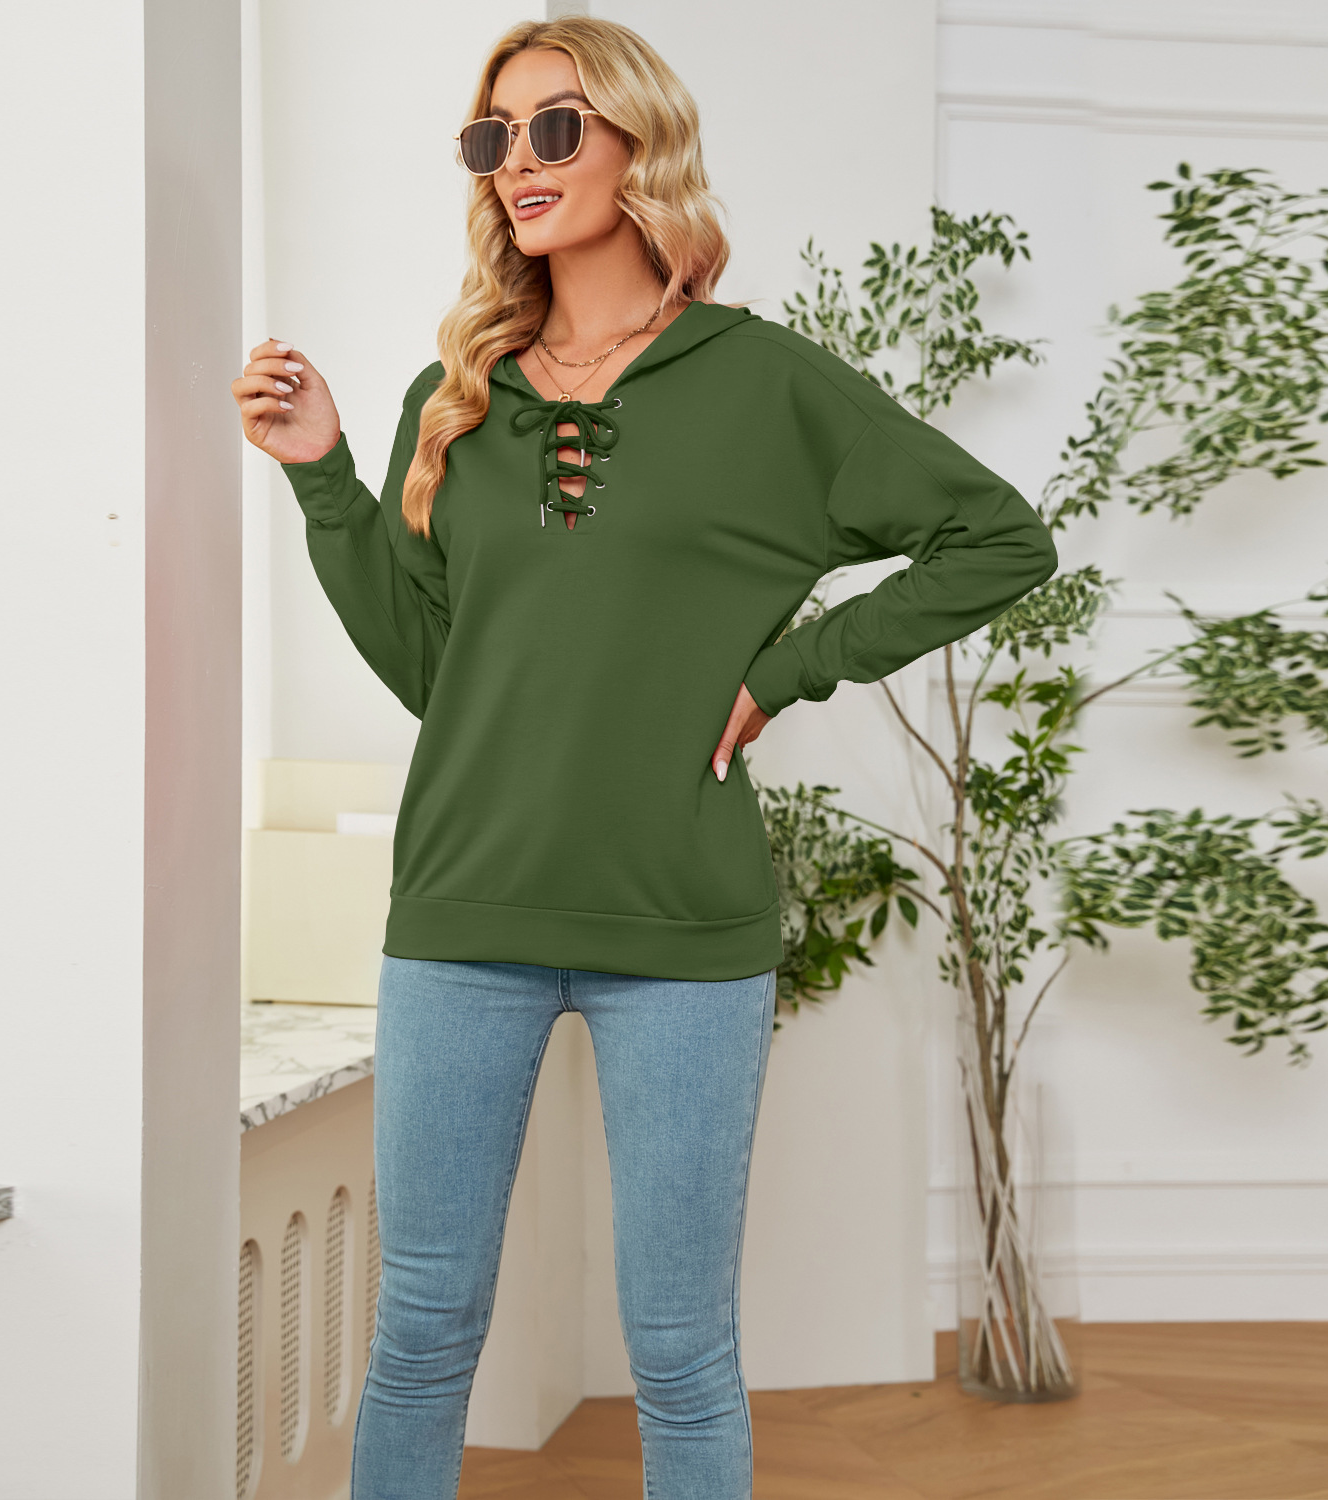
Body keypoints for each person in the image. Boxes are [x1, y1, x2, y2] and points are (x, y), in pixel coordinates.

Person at [232, 17, 1057, 1499]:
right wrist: (326, 484)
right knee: (421, 1332)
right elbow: (438, 676)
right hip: (463, 913)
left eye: (556, 126)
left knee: (680, 1352)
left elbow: (998, 536)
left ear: (638, 141)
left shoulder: (769, 387)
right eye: (493, 137)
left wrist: (788, 672)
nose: (520, 163)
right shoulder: (456, 397)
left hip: (683, 924)